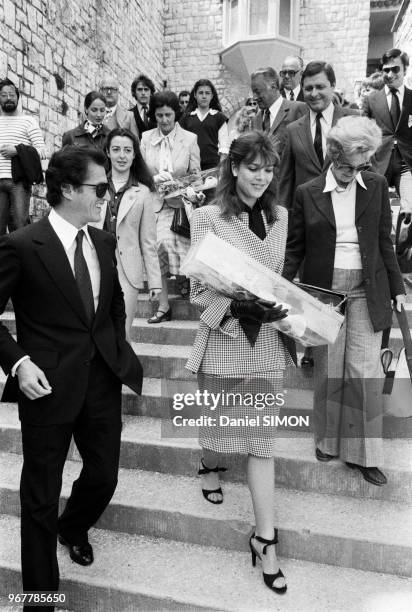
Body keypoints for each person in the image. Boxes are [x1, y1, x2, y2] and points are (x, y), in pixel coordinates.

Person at [0, 145, 143, 610]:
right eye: (98, 188)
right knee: (39, 497)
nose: (104, 195)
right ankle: (40, 599)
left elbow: (112, 303)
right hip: (45, 387)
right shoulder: (22, 245)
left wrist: (118, 350)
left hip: (101, 381)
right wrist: (18, 363)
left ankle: (74, 525)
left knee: (104, 476)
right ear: (66, 189)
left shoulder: (101, 240)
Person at [186, 131, 295, 595]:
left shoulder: (281, 216)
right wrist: (237, 309)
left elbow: (274, 280)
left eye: (268, 169)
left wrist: (290, 312)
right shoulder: (206, 216)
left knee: (261, 441)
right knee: (215, 430)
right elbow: (196, 292)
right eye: (253, 168)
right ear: (233, 168)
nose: (261, 177)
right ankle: (209, 465)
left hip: (267, 342)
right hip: (226, 336)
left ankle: (265, 540)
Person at [283, 116, 406, 486]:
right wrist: (279, 285)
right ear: (333, 155)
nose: (353, 172)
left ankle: (364, 454)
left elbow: (385, 242)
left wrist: (398, 288)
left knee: (364, 369)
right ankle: (327, 440)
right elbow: (295, 248)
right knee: (329, 367)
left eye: (360, 165)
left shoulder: (378, 185)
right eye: (346, 165)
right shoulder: (307, 192)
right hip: (326, 291)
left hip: (370, 288)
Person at [141, 91, 201, 322]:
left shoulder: (189, 139)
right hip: (155, 202)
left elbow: (196, 176)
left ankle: (190, 288)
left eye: (168, 115)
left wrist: (185, 186)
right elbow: (141, 170)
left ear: (177, 114)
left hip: (182, 203)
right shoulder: (146, 138)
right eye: (159, 116)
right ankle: (163, 306)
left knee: (186, 249)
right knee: (158, 247)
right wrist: (152, 180)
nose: (164, 120)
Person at [98, 128, 161, 338]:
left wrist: (154, 282)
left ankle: (123, 370)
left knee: (121, 334)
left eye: (127, 150)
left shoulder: (143, 192)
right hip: (95, 263)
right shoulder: (94, 186)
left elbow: (149, 241)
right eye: (116, 149)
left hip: (128, 270)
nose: (122, 156)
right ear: (107, 152)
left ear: (135, 154)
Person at [363, 48, 412, 215]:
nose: (390, 74)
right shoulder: (371, 99)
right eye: (386, 70)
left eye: (395, 69)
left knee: (409, 210)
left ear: (405, 69)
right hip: (378, 163)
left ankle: (404, 239)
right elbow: (364, 133)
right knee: (377, 212)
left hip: (406, 165)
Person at [0, 78, 46, 235]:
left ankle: (22, 259)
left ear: (18, 97)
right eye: (4, 95)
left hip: (18, 181)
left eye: (12, 94)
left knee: (20, 224)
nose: (8, 98)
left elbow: (42, 151)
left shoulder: (28, 121)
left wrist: (17, 150)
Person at [251, 67, 306, 160]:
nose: (254, 97)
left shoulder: (298, 109)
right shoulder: (255, 119)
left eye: (258, 91)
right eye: (253, 92)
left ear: (273, 86)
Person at [180, 78, 229, 170]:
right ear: (195, 95)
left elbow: (224, 146)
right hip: (191, 166)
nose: (204, 96)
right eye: (200, 93)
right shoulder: (186, 118)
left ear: (212, 96)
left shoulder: (219, 117)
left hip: (213, 166)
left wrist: (221, 168)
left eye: (207, 93)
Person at [99, 75, 139, 140]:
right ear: (100, 91)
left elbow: (135, 143)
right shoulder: (88, 114)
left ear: (118, 92)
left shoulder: (129, 117)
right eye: (106, 89)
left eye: (112, 89)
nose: (109, 92)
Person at [130, 74, 157, 140]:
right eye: (139, 89)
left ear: (151, 92)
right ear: (134, 92)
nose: (143, 93)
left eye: (146, 89)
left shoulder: (157, 113)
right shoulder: (128, 114)